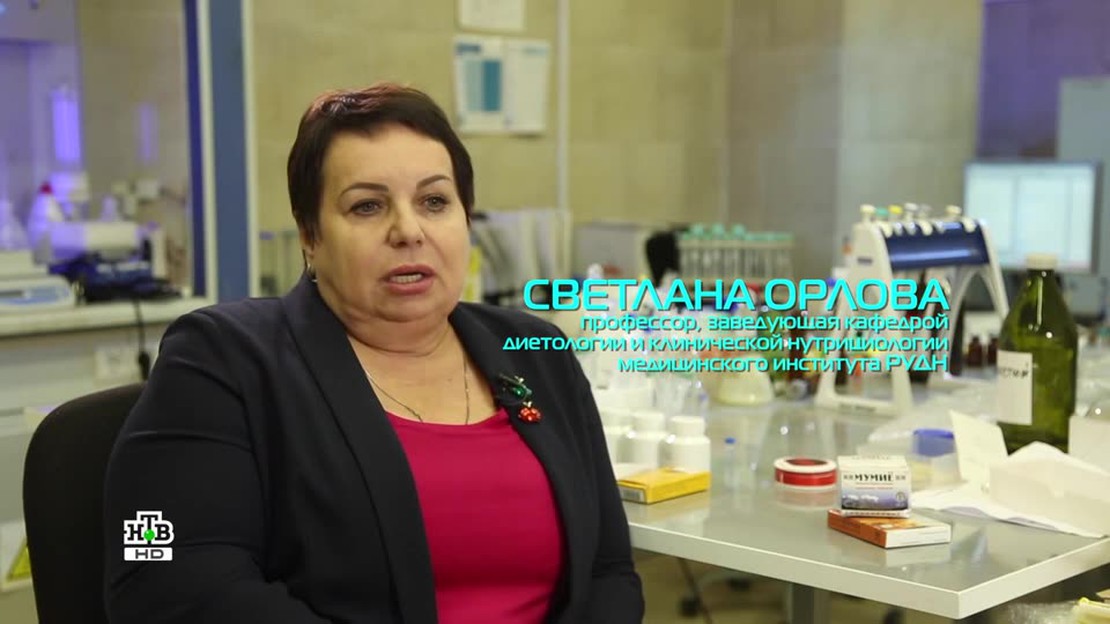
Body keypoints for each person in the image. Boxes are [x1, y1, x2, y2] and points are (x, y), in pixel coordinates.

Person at [102, 83, 644, 623]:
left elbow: (609, 569)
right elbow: (161, 576)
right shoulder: (219, 361)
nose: (408, 231)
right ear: (310, 234)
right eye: (367, 206)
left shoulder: (536, 352)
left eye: (434, 201)